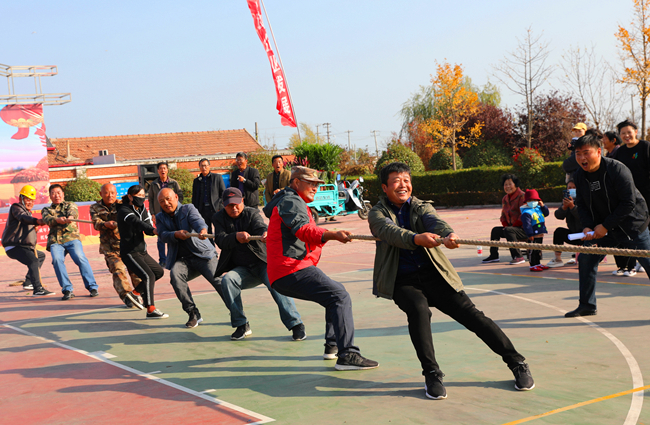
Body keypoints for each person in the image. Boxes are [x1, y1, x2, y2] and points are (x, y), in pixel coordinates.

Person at [368, 162, 534, 399]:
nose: (403, 185)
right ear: (385, 188)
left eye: (406, 180)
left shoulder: (421, 206)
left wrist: (448, 234)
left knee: (473, 316)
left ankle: (517, 362)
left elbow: (435, 222)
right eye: (396, 181)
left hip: (434, 274)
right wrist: (416, 239)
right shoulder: (377, 213)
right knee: (418, 310)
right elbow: (389, 232)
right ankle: (432, 373)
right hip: (402, 280)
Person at [263, 166, 379, 370]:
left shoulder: (290, 200)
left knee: (332, 296)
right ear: (296, 182)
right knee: (339, 296)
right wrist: (332, 234)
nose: (315, 188)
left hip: (286, 270)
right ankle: (348, 354)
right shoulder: (291, 201)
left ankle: (332, 347)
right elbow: (304, 230)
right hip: (290, 269)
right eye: (310, 183)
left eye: (317, 184)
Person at [566, 131, 650, 317]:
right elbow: (582, 205)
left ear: (598, 151)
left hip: (632, 226)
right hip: (603, 228)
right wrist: (587, 226)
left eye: (586, 153)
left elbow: (628, 203)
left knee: (648, 262)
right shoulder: (579, 176)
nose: (582, 158)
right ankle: (587, 305)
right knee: (586, 258)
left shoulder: (617, 169)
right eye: (578, 154)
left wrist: (605, 226)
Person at [213, 187, 305, 340]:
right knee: (227, 280)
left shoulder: (252, 213)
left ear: (243, 201)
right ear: (224, 205)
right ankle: (241, 324)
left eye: (236, 204)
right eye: (230, 205)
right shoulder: (218, 218)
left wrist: (265, 233)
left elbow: (260, 226)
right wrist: (235, 237)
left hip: (263, 264)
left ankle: (296, 324)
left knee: (277, 286)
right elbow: (220, 240)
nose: (234, 208)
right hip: (242, 269)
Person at [156, 188, 225, 328]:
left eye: (168, 199)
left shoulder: (188, 209)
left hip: (203, 255)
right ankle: (193, 313)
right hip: (182, 259)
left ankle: (236, 312)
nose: (166, 203)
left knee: (218, 280)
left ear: (176, 197)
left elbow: (198, 221)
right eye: (162, 201)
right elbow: (162, 235)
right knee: (175, 277)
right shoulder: (160, 217)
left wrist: (203, 230)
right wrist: (175, 234)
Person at [90, 183, 143, 309]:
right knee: (118, 270)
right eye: (107, 193)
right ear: (101, 194)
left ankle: (142, 292)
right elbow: (96, 224)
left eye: (113, 193)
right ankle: (127, 296)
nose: (110, 195)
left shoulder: (123, 204)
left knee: (135, 270)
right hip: (109, 248)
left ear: (116, 194)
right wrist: (105, 224)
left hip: (126, 244)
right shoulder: (95, 207)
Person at [41, 184, 99, 300]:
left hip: (71, 238)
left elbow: (73, 212)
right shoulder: (46, 209)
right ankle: (67, 289)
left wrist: (70, 217)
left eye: (58, 193)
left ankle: (92, 287)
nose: (56, 195)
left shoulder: (70, 204)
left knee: (80, 257)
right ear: (50, 196)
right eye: (53, 193)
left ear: (63, 194)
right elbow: (47, 219)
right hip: (56, 241)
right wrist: (57, 220)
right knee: (57, 260)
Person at [118, 185, 167, 319]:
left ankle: (134, 293)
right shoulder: (124, 210)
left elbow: (147, 227)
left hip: (142, 251)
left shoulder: (142, 209)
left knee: (158, 272)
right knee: (148, 276)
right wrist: (153, 230)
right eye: (138, 196)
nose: (141, 198)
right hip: (129, 252)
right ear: (130, 197)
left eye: (143, 196)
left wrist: (157, 231)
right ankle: (151, 309)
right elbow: (136, 223)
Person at [2, 185, 55, 296]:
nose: (30, 202)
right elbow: (22, 218)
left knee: (40, 256)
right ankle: (38, 289)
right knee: (33, 261)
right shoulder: (16, 207)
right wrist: (37, 221)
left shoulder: (28, 213)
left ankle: (29, 282)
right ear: (21, 198)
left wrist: (35, 227)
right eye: (27, 199)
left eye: (32, 200)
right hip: (14, 245)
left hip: (24, 246)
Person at [613, 120, 650, 276]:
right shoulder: (620, 152)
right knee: (635, 229)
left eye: (629, 132)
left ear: (636, 132)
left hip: (647, 196)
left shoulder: (645, 147)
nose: (626, 135)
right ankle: (635, 262)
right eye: (623, 133)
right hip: (630, 198)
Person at [482, 174, 527, 265]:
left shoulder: (522, 196)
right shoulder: (505, 198)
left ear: (515, 184)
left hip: (524, 229)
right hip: (511, 229)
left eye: (510, 184)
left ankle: (518, 256)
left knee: (509, 230)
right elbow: (503, 215)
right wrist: (505, 225)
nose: (507, 186)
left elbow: (524, 215)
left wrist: (511, 227)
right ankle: (494, 255)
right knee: (495, 230)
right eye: (505, 184)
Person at [148, 161, 184, 266]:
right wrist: (153, 213)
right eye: (160, 168)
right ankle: (162, 260)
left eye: (164, 168)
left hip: (172, 214)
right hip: (159, 214)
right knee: (161, 237)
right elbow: (150, 199)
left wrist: (177, 209)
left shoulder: (174, 183)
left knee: (172, 236)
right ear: (158, 171)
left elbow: (179, 196)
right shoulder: (154, 184)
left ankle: (172, 258)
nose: (163, 170)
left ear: (167, 170)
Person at [546, 181, 583, 268]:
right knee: (558, 232)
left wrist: (572, 207)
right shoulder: (566, 201)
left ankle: (590, 258)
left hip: (585, 234)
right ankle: (558, 259)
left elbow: (582, 217)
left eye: (574, 187)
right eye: (569, 188)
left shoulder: (584, 200)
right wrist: (564, 207)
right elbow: (558, 215)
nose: (571, 189)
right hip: (573, 234)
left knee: (584, 260)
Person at [191, 158, 225, 246]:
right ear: (199, 167)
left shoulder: (217, 177)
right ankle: (211, 249)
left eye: (205, 165)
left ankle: (223, 247)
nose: (204, 168)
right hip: (203, 210)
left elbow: (223, 193)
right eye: (202, 166)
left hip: (215, 209)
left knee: (219, 229)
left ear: (209, 166)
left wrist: (219, 207)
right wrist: (195, 210)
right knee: (206, 231)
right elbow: (194, 197)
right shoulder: (197, 181)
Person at [520, 189, 549, 272]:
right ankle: (532, 265)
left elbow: (546, 213)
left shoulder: (539, 208)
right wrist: (530, 234)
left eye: (535, 200)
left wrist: (543, 206)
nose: (532, 202)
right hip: (533, 235)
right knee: (532, 250)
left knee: (538, 250)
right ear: (526, 201)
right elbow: (527, 225)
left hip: (540, 233)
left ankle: (538, 263)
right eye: (530, 200)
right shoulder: (526, 212)